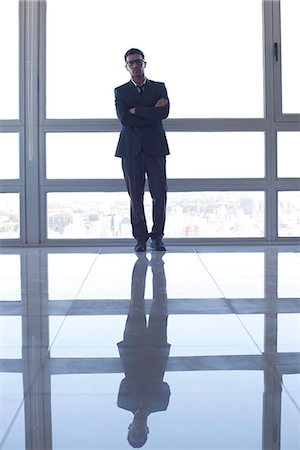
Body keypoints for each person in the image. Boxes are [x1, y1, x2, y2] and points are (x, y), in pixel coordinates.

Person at [114, 48, 170, 253]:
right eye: (131, 63)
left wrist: (137, 110)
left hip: (155, 148)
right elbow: (124, 119)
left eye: (139, 62)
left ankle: (157, 237)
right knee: (135, 196)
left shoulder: (159, 87)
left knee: (159, 195)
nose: (136, 65)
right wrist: (150, 111)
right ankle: (140, 238)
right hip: (130, 150)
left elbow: (163, 112)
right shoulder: (120, 91)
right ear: (126, 67)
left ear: (145, 63)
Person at [117, 252, 170, 448]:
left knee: (136, 301)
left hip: (134, 347)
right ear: (147, 430)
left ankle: (141, 263)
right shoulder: (157, 405)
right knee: (160, 302)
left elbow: (161, 385)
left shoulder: (157, 404)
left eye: (134, 432)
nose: (138, 429)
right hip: (154, 349)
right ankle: (157, 264)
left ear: (129, 427)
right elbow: (128, 382)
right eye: (141, 433)